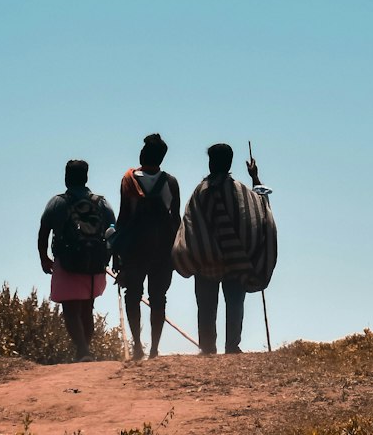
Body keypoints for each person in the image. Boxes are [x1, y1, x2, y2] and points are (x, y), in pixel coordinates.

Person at [172, 144, 277, 355]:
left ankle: (208, 346)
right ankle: (232, 345)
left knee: (206, 305)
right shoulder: (242, 192)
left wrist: (193, 252)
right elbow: (262, 210)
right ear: (229, 163)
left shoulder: (200, 192)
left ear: (211, 162)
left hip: (206, 262)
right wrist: (255, 177)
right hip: (236, 262)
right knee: (235, 303)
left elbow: (189, 225)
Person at [38, 159, 115, 362]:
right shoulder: (101, 202)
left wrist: (44, 258)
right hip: (94, 264)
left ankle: (82, 350)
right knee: (87, 309)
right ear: (86, 177)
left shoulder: (57, 202)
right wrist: (114, 258)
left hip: (67, 263)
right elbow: (114, 230)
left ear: (66, 177)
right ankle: (84, 350)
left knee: (71, 311)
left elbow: (44, 230)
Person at [113, 132, 181, 360]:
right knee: (158, 298)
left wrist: (117, 255)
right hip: (163, 250)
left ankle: (137, 348)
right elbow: (176, 220)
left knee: (133, 295)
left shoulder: (129, 180)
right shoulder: (171, 182)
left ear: (143, 154)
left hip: (134, 249)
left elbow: (123, 218)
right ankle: (154, 349)